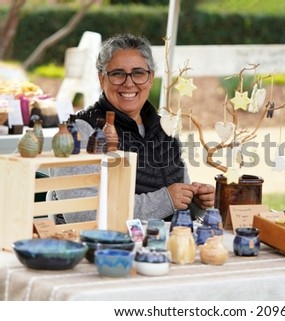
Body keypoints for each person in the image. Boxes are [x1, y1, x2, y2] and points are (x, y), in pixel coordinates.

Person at [51, 33, 215, 223]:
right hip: (107, 249)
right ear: (101, 78)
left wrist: (196, 201)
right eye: (118, 74)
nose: (129, 83)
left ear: (151, 78)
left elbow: (179, 207)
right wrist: (165, 200)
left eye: (138, 73)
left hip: (166, 246)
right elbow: (80, 213)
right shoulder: (79, 132)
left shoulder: (166, 129)